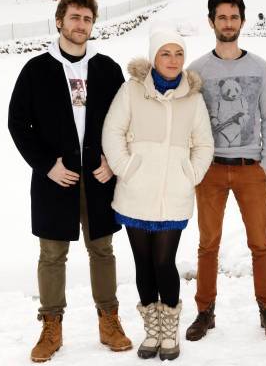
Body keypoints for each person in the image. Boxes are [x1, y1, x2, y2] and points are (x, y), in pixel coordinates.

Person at [8, 0, 132, 363]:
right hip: (55, 179)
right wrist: (47, 165)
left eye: (87, 19)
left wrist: (112, 162)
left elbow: (126, 123)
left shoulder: (108, 69)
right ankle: (51, 325)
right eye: (74, 17)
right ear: (59, 20)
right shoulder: (37, 69)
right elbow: (18, 124)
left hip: (98, 176)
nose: (81, 25)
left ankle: (109, 320)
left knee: (103, 249)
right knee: (51, 253)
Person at [102, 29, 214, 361]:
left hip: (173, 197)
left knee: (164, 262)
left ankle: (169, 331)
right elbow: (112, 131)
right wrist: (126, 167)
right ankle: (152, 330)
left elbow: (204, 143)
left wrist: (190, 174)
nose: (173, 60)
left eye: (178, 54)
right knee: (143, 263)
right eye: (165, 54)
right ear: (154, 57)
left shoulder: (192, 98)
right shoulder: (132, 90)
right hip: (136, 192)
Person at [185, 0, 266, 341]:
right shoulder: (197, 70)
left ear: (242, 21)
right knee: (208, 243)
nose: (228, 23)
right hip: (210, 170)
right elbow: (186, 119)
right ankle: (204, 311)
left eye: (234, 17)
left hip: (249, 169)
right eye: (222, 17)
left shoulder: (260, 68)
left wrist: (265, 164)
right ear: (211, 22)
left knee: (261, 243)